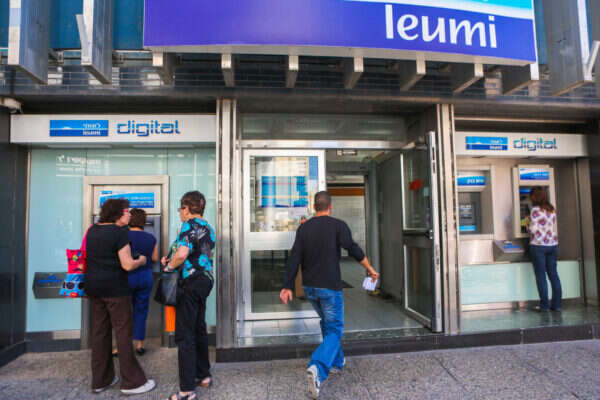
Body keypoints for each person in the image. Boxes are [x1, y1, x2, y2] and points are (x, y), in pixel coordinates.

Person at [280, 191, 379, 399]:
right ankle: (318, 367)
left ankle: (336, 361)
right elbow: (353, 249)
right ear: (330, 206)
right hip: (330, 287)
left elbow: (295, 256)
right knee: (334, 329)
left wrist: (287, 285)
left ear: (314, 206)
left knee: (327, 323)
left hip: (310, 288)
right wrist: (369, 268)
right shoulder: (338, 226)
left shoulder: (304, 228)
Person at [85, 198, 156, 395]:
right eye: (126, 211)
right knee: (123, 333)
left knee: (100, 333)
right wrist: (141, 261)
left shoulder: (92, 230)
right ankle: (132, 382)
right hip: (115, 289)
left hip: (94, 288)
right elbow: (127, 264)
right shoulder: (119, 232)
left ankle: (101, 380)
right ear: (117, 213)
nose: (129, 215)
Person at [163, 191, 216, 400]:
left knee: (185, 334)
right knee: (199, 328)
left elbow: (183, 254)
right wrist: (172, 258)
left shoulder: (188, 226)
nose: (180, 213)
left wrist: (169, 266)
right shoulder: (208, 228)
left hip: (190, 283)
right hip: (205, 281)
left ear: (186, 209)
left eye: (180, 209)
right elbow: (197, 253)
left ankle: (186, 390)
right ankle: (204, 375)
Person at [127, 208, 159, 355]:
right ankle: (139, 345)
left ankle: (122, 345)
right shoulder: (151, 238)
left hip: (127, 276)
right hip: (145, 276)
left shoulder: (123, 236)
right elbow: (154, 258)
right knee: (141, 310)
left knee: (124, 311)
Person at [527, 187, 562, 312]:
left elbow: (533, 230)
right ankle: (557, 305)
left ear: (534, 197)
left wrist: (527, 223)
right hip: (552, 245)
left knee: (541, 276)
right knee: (553, 275)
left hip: (539, 246)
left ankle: (544, 306)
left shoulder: (535, 210)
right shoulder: (551, 209)